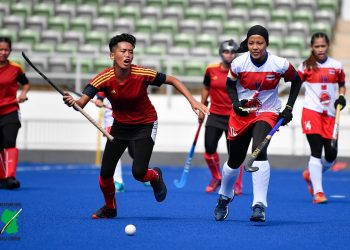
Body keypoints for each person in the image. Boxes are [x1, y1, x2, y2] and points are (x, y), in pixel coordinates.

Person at [63, 33, 209, 219]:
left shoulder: (142, 73)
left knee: (139, 173)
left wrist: (193, 102)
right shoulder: (103, 78)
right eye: (123, 51)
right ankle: (110, 208)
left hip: (145, 124)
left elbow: (173, 80)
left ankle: (155, 176)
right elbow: (81, 104)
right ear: (112, 55)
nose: (128, 55)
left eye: (131, 52)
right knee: (105, 174)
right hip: (120, 127)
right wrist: (72, 102)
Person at [213, 25, 302, 222]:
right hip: (242, 115)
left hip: (267, 113)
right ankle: (225, 195)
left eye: (260, 43)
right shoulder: (239, 63)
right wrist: (235, 104)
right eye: (252, 42)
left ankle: (259, 205)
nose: (255, 46)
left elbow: (297, 80)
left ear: (267, 44)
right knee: (234, 160)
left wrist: (288, 108)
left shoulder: (279, 64)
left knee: (258, 150)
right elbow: (229, 85)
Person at [299, 32, 347, 204]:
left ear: (328, 46)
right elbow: (295, 84)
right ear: (312, 47)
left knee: (332, 155)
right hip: (311, 112)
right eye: (317, 46)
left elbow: (341, 84)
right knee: (316, 151)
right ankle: (318, 192)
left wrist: (342, 97)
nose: (320, 49)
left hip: (330, 115)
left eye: (323, 46)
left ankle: (309, 174)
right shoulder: (305, 66)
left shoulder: (336, 65)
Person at [198, 39, 244, 195]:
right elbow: (206, 88)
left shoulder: (241, 71)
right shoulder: (211, 70)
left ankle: (237, 183)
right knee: (209, 149)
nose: (229, 55)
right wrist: (202, 106)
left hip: (234, 117)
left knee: (235, 154)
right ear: (221, 53)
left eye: (232, 52)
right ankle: (217, 177)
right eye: (226, 52)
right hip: (215, 115)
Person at [94, 92, 150, 192]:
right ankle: (118, 182)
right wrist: (99, 99)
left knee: (134, 151)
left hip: (130, 118)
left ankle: (144, 173)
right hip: (112, 119)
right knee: (114, 152)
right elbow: (101, 89)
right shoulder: (108, 77)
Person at [0, 36, 30, 189]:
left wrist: (23, 94)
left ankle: (10, 176)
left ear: (10, 51)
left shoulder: (15, 68)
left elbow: (25, 84)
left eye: (6, 50)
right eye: (1, 49)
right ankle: (1, 178)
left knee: (9, 142)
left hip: (10, 110)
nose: (3, 52)